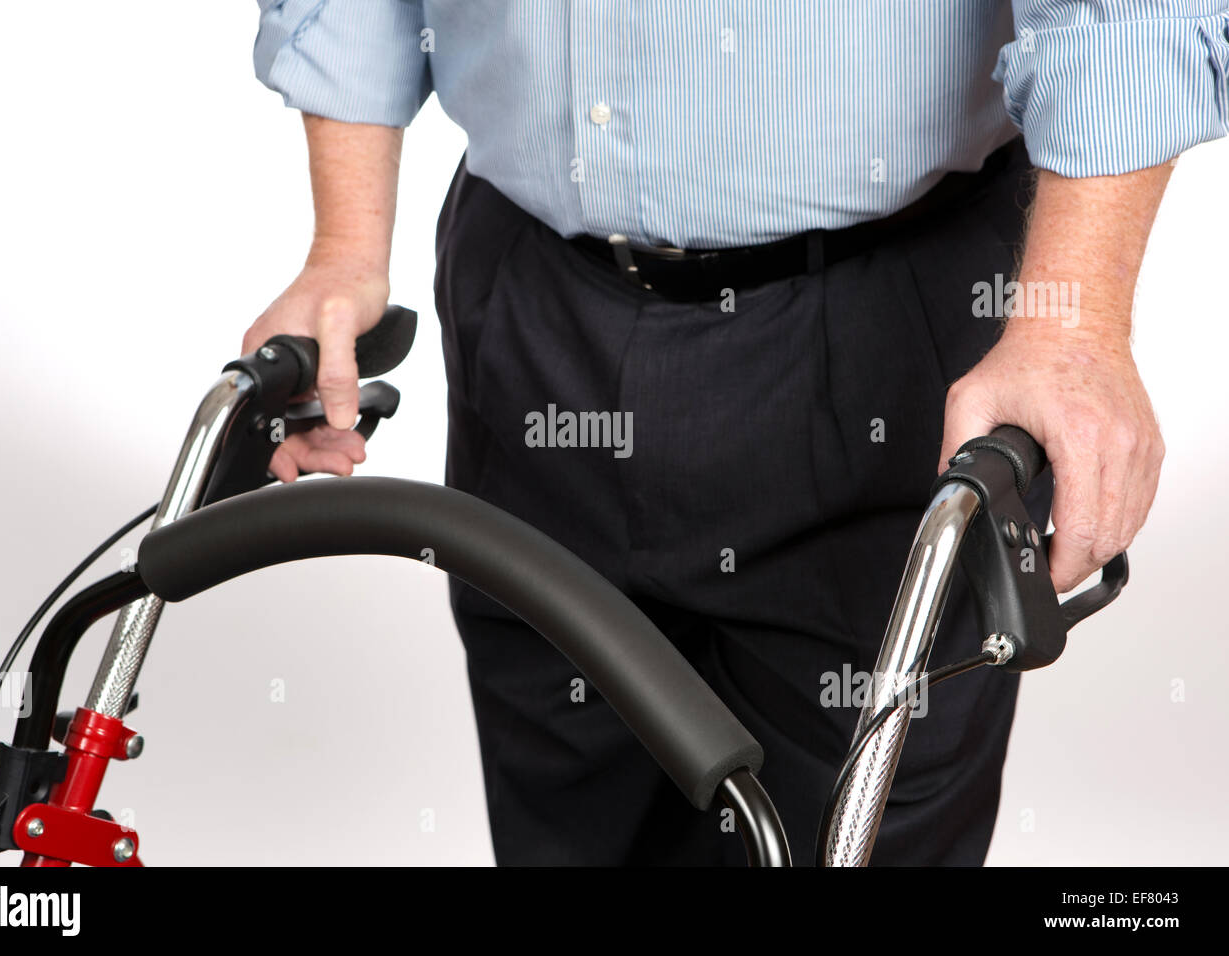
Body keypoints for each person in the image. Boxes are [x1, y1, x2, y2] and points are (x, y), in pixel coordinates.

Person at [242, 1, 1228, 865]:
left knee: (859, 833)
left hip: (884, 327)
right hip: (534, 300)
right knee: (566, 812)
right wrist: (345, 244)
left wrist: (1074, 318)